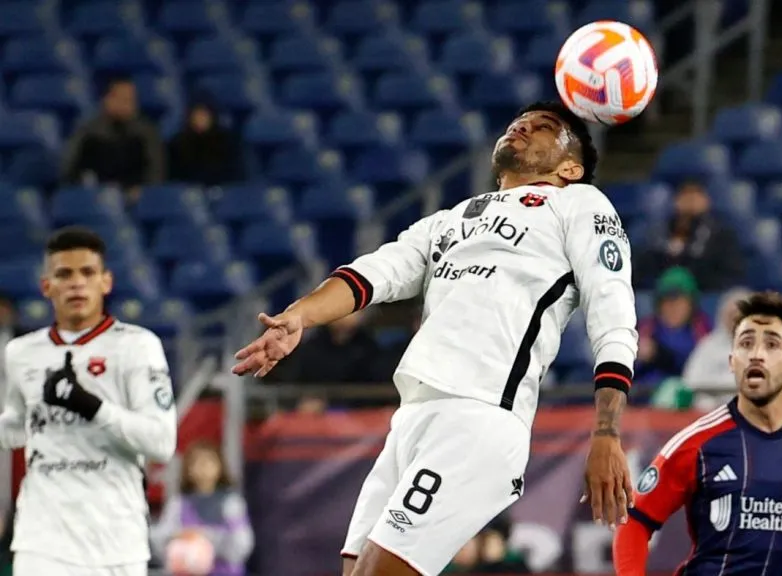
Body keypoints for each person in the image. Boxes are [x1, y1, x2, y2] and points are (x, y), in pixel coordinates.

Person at [231, 101, 637, 576]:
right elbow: (375, 273)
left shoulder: (579, 204)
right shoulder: (452, 218)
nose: (523, 126)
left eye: (545, 127)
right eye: (517, 122)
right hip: (412, 418)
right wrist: (299, 315)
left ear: (572, 167)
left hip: (480, 417)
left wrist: (607, 431)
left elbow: (614, 317)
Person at [613, 291, 782, 576]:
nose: (756, 354)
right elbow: (634, 522)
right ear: (732, 361)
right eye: (746, 343)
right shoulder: (695, 443)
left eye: (772, 344)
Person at [0, 227, 177, 576]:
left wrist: (92, 407)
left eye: (87, 273)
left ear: (106, 282)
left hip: (116, 542)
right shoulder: (20, 353)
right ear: (46, 286)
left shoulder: (138, 346)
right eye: (64, 274)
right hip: (42, 541)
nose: (76, 283)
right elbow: (16, 428)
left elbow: (161, 443)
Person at [151, 441, 254, 575]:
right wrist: (178, 536)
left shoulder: (231, 503)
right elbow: (159, 538)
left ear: (220, 467)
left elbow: (242, 544)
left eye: (209, 462)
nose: (203, 468)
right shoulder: (179, 503)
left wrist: (205, 537)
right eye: (196, 463)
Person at [61, 77, 165, 202]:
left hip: (137, 199)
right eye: (120, 98)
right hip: (95, 198)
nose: (126, 104)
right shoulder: (88, 132)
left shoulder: (146, 133)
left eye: (130, 100)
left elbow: (155, 170)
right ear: (106, 100)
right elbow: (70, 168)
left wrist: (142, 190)